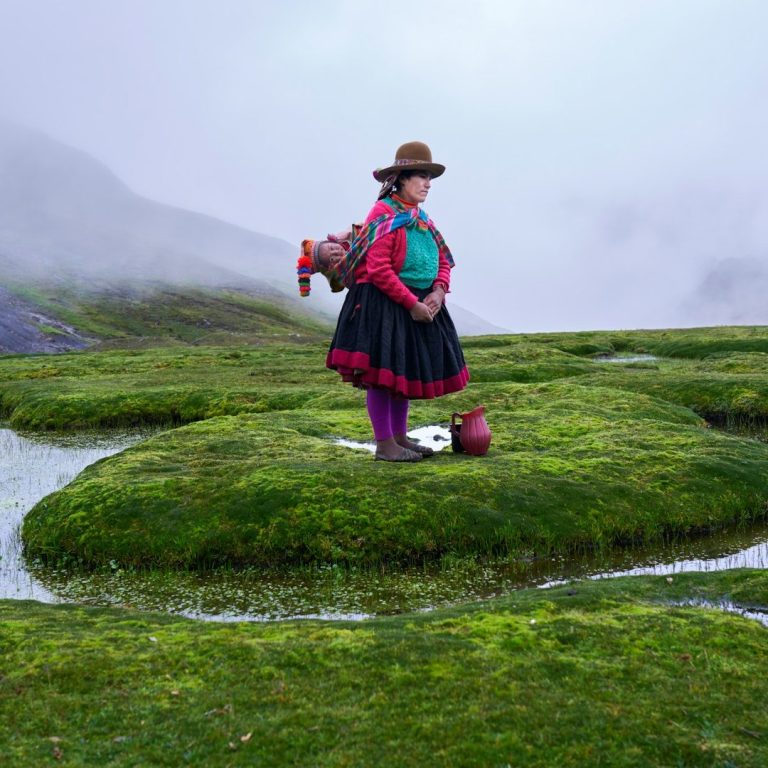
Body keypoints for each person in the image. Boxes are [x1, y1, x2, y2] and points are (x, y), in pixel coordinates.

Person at [325, 141, 470, 462]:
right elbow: (378, 269)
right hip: (383, 304)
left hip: (417, 303)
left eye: (429, 177)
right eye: (421, 176)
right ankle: (385, 444)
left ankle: (400, 437)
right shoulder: (384, 213)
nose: (427, 184)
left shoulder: (421, 217)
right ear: (401, 179)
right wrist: (412, 304)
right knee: (381, 376)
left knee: (399, 374)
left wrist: (438, 292)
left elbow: (443, 259)